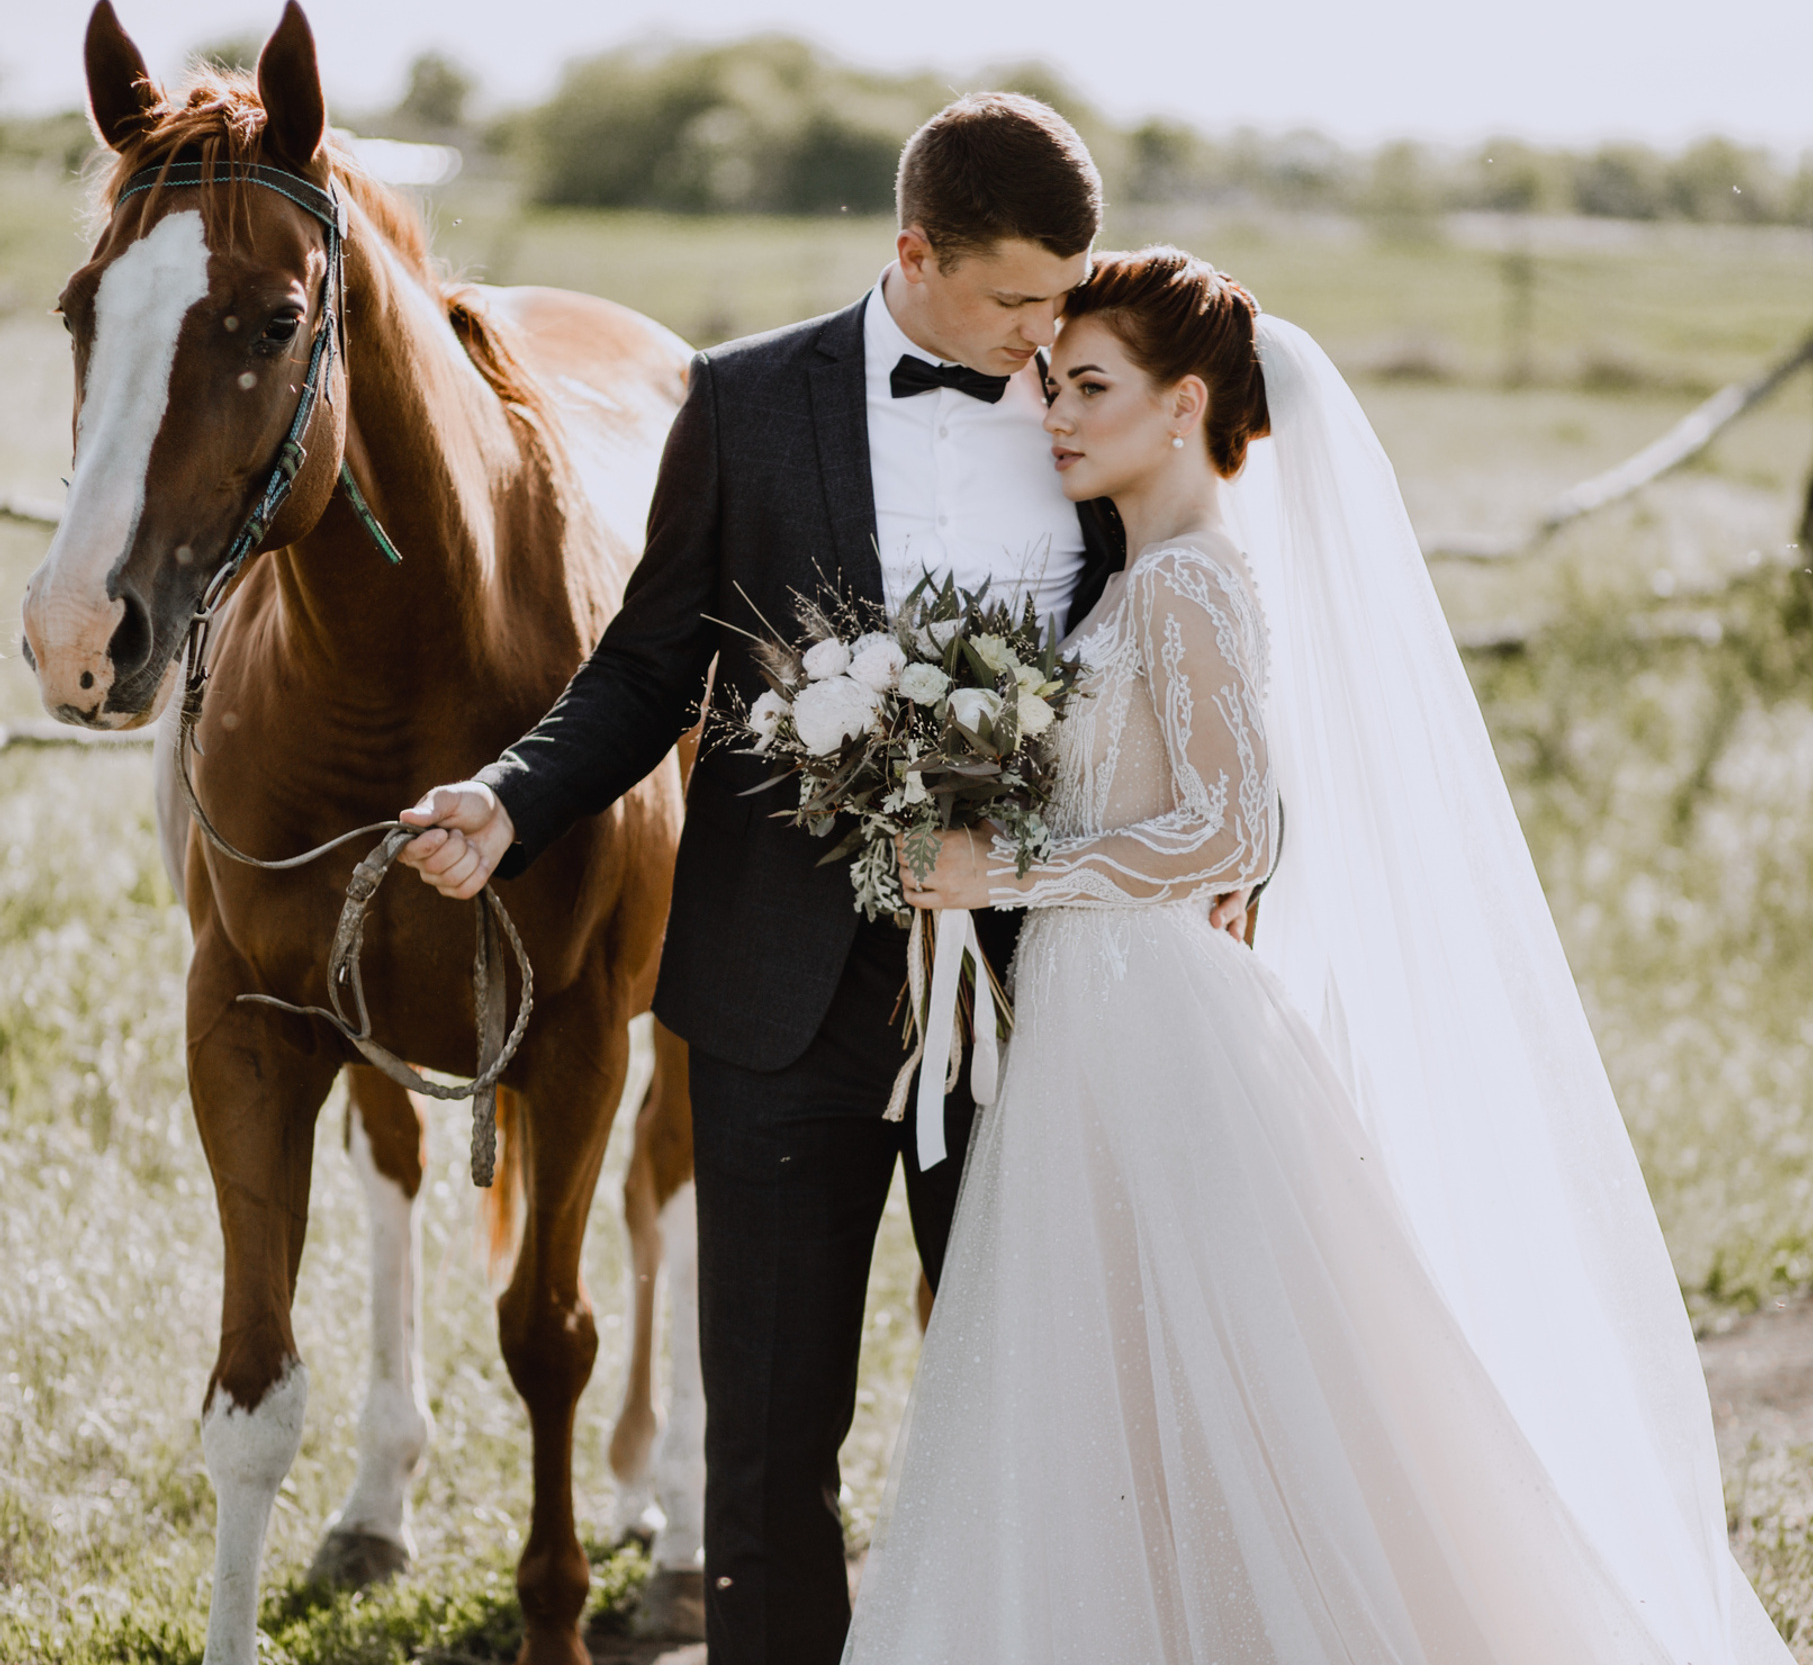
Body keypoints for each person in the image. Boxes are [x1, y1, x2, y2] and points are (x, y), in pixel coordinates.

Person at [846, 248, 1794, 1663]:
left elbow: (1230, 829)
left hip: (1158, 1023)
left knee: (1238, 1381)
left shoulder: (1188, 585)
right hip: (1097, 1022)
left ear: (1184, 405)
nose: (1055, 412)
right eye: (1053, 383)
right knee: (1130, 1383)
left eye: (1089, 386)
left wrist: (1008, 869)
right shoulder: (1142, 582)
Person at [393, 99, 1248, 1665]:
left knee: (1049, 1416)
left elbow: (1174, 649)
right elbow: (649, 666)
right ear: (914, 253)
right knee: (771, 1445)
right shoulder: (741, 400)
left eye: (1063, 299)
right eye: (1012, 300)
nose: (1043, 337)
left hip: (1039, 1005)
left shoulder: (1091, 412)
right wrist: (512, 800)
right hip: (776, 1000)